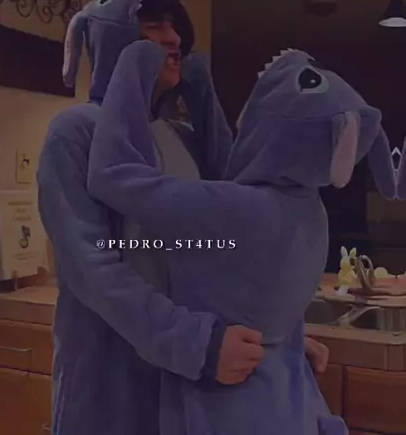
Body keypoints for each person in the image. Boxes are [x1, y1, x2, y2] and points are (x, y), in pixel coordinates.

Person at [38, 0, 330, 435]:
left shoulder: (182, 137)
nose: (173, 38)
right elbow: (93, 270)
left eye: (174, 27)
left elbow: (229, 249)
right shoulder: (76, 132)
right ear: (116, 40)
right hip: (110, 384)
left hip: (184, 390)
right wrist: (199, 345)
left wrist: (274, 341)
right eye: (153, 26)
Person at [87, 42, 396, 434]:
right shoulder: (311, 212)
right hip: (289, 400)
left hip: (226, 408)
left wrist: (134, 62)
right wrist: (200, 87)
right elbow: (234, 170)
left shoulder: (239, 210)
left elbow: (111, 174)